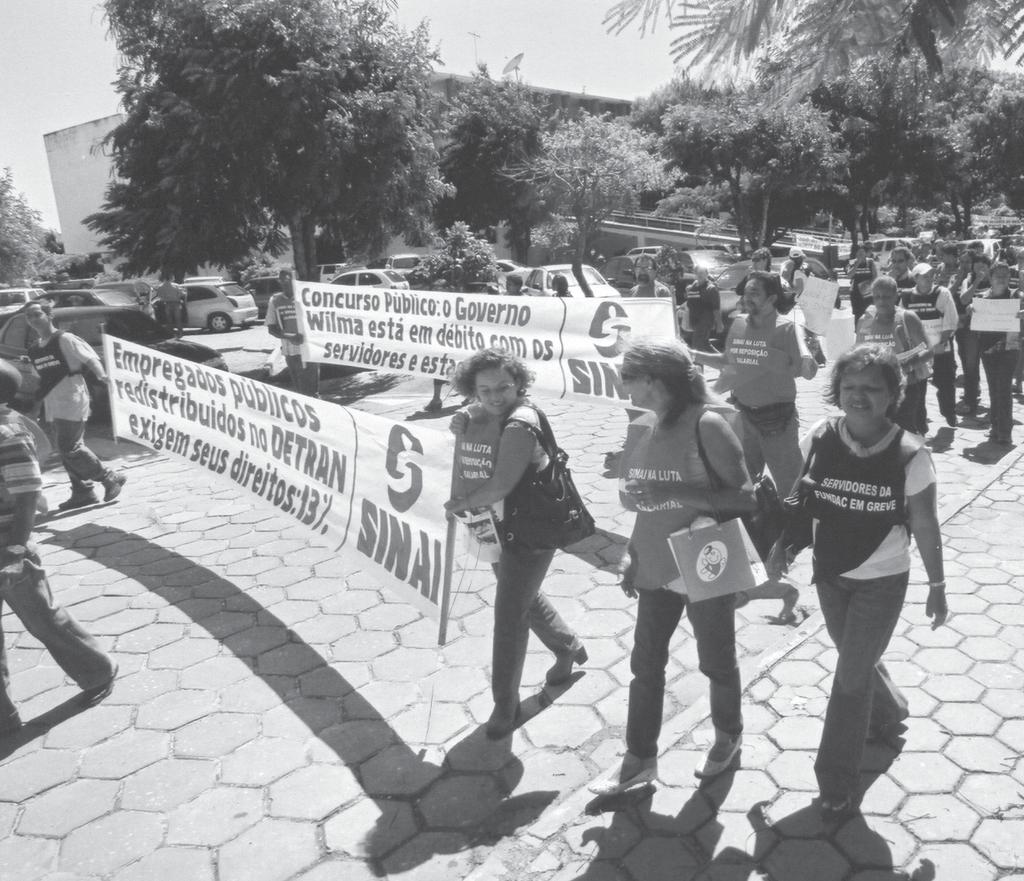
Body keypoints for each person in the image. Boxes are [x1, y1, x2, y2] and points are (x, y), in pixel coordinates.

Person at [768, 344, 948, 821]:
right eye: (850, 387)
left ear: (893, 394)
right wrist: (783, 545)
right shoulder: (821, 435)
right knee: (856, 657)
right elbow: (800, 495)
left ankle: (836, 781)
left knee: (848, 679)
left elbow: (925, 525)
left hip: (882, 579)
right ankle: (891, 711)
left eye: (872, 389)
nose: (859, 397)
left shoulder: (911, 454)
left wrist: (938, 586)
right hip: (830, 572)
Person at [590, 340, 755, 794]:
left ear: (654, 381)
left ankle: (728, 737)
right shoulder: (645, 424)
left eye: (628, 376)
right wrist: (633, 555)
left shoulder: (708, 425)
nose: (622, 384)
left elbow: (745, 498)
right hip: (656, 564)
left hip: (704, 559)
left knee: (716, 662)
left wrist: (683, 496)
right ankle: (639, 760)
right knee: (646, 666)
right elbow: (645, 502)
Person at [445, 348, 586, 739]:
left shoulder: (521, 423)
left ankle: (504, 704)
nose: (494, 397)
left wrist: (457, 504)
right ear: (471, 390)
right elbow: (480, 419)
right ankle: (568, 646)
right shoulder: (487, 413)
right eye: (484, 390)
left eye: (504, 388)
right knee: (521, 594)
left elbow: (501, 485)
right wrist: (466, 416)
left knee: (509, 617)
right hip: (496, 527)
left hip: (529, 531)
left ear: (520, 385)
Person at [0, 359, 118, 737]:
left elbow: (27, 496)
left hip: (8, 546)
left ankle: (98, 671)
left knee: (43, 619)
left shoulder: (8, 435)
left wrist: (17, 551)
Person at [693, 270, 818, 501]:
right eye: (745, 293)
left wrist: (811, 355)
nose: (746, 298)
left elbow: (808, 373)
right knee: (742, 483)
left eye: (754, 293)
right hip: (742, 418)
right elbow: (727, 363)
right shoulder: (739, 323)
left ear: (771, 299)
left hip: (777, 422)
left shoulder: (788, 329)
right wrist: (691, 354)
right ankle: (757, 530)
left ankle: (794, 533)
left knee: (790, 490)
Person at [24, 302, 126, 511]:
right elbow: (42, 379)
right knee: (64, 449)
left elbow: (90, 358)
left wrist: (102, 375)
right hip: (52, 404)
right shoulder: (34, 349)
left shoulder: (65, 339)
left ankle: (109, 477)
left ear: (49, 315)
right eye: (29, 316)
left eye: (37, 314)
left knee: (71, 447)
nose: (33, 319)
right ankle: (83, 492)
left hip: (72, 398)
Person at [855, 276, 932, 436]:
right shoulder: (864, 321)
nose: (881, 301)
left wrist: (908, 366)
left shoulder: (907, 318)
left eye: (886, 297)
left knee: (906, 436)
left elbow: (928, 351)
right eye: (877, 297)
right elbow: (858, 353)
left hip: (905, 389)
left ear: (896, 296)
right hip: (875, 391)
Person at [900, 262, 959, 428]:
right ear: (916, 278)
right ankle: (920, 423)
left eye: (931, 275)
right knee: (918, 386)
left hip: (941, 348)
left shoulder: (942, 293)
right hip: (919, 352)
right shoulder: (906, 297)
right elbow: (902, 321)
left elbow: (950, 321)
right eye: (924, 276)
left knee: (946, 382)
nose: (929, 278)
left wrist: (941, 344)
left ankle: (949, 412)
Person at [972, 261, 1021, 445]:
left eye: (1005, 275)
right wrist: (972, 311)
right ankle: (995, 426)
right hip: (987, 349)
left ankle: (1005, 432)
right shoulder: (983, 298)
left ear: (1010, 277)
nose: (1002, 279)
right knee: (993, 388)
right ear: (990, 278)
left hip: (1009, 348)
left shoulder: (1017, 296)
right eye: (997, 275)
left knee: (1004, 388)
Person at [265, 269, 320, 398]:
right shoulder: (275, 300)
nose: (284, 283)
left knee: (312, 392)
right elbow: (271, 328)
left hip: (309, 351)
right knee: (300, 391)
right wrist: (290, 337)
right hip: (290, 353)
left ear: (294, 280)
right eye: (281, 280)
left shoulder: (307, 298)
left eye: (287, 279)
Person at [955, 253, 992, 417]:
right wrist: (976, 281)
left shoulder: (993, 280)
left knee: (992, 366)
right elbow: (963, 300)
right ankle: (970, 400)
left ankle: (995, 402)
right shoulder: (968, 280)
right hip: (971, 330)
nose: (980, 268)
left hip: (991, 329)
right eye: (976, 265)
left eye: (983, 265)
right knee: (970, 366)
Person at [683, 266, 722, 352]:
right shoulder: (692, 287)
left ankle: (697, 365)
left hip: (705, 321)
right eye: (697, 273)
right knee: (705, 344)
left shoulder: (711, 288)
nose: (699, 275)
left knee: (696, 345)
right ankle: (722, 362)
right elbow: (689, 302)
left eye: (701, 273)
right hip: (695, 321)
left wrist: (719, 324)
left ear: (707, 274)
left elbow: (716, 308)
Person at [848, 243, 879, 323]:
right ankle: (858, 332)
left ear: (865, 253)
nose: (860, 254)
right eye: (858, 252)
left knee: (869, 312)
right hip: (856, 293)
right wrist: (856, 264)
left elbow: (875, 276)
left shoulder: (870, 262)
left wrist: (867, 285)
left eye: (862, 252)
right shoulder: (852, 262)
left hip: (868, 293)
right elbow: (849, 275)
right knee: (857, 314)